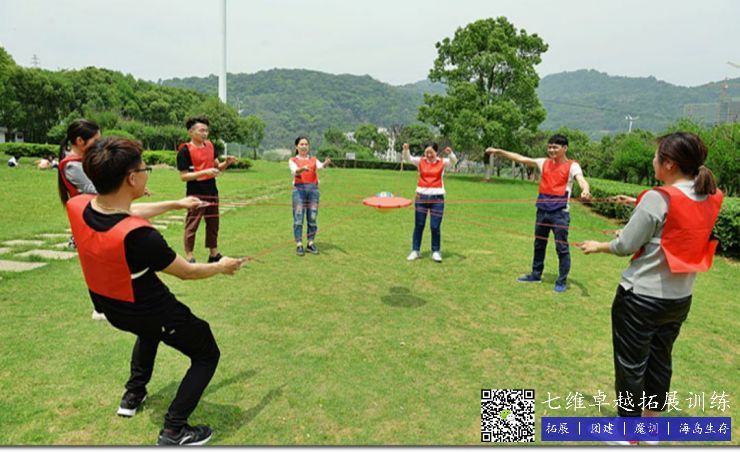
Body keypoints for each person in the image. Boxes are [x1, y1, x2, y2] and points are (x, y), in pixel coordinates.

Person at [68, 136, 244, 446]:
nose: (146, 173)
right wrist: (221, 266)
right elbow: (187, 272)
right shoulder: (141, 238)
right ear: (131, 178)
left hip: (113, 307)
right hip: (147, 308)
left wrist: (178, 203)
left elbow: (127, 211)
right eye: (144, 168)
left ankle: (133, 394)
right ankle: (175, 430)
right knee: (206, 352)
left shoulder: (80, 205)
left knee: (148, 332)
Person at [576, 133, 723, 434]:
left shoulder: (659, 199)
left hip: (640, 299)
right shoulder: (712, 196)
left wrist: (597, 245)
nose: (653, 161)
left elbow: (626, 245)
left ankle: (629, 433)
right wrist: (636, 202)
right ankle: (650, 425)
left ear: (669, 164)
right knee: (660, 360)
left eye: (656, 157)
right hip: (679, 300)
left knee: (631, 365)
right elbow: (680, 216)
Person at [486, 134, 591, 292]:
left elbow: (581, 180)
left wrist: (585, 190)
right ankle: (536, 275)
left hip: (560, 214)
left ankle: (561, 281)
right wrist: (498, 151)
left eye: (555, 147)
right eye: (549, 147)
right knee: (539, 244)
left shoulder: (572, 166)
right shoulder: (543, 162)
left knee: (561, 248)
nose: (551, 150)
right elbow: (520, 158)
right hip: (542, 211)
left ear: (565, 148)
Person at [57, 119, 106, 319]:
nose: (98, 145)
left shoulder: (81, 161)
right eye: (95, 141)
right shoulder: (71, 166)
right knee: (94, 266)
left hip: (94, 215)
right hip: (87, 219)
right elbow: (93, 189)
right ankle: (99, 309)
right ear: (79, 141)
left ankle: (103, 307)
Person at [177, 117, 237, 264]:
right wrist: (204, 172)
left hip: (212, 191)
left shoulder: (210, 146)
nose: (205, 133)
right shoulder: (184, 151)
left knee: (213, 222)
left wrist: (227, 163)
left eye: (206, 130)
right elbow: (184, 176)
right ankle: (189, 256)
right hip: (195, 192)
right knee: (193, 223)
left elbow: (217, 167)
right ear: (191, 132)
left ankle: (214, 253)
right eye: (201, 130)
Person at [402, 142, 457, 263]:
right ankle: (415, 250)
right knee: (419, 225)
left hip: (437, 199)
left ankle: (435, 251)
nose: (429, 155)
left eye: (431, 152)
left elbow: (453, 162)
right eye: (426, 152)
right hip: (421, 198)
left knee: (435, 226)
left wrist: (451, 154)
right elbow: (408, 158)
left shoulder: (442, 162)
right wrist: (406, 150)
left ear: (436, 152)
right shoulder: (420, 161)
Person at [288, 136, 330, 256]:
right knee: (298, 218)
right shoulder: (292, 160)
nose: (304, 146)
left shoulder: (313, 159)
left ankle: (310, 243)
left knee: (312, 217)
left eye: (306, 144)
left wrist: (326, 163)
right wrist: (302, 169)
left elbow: (321, 166)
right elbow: (295, 171)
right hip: (299, 190)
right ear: (296, 147)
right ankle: (299, 244)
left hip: (313, 191)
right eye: (301, 144)